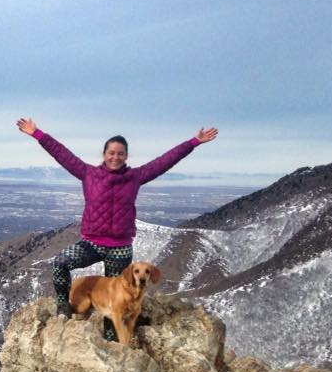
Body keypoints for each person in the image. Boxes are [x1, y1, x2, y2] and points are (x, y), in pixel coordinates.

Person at [16, 118, 218, 336]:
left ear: (126, 156)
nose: (115, 157)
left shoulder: (135, 177)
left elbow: (165, 161)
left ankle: (112, 344)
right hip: (91, 243)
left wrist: (193, 142)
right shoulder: (88, 174)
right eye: (111, 152)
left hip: (120, 249)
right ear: (104, 154)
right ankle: (64, 305)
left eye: (120, 153)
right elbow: (63, 155)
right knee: (61, 262)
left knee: (115, 307)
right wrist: (37, 134)